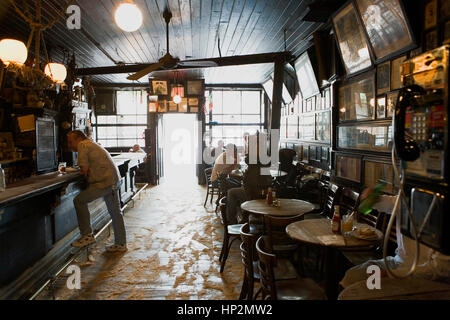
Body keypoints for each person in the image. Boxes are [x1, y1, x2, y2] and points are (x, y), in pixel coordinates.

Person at [340, 188, 450, 288]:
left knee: (368, 287)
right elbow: (387, 203)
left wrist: (391, 274)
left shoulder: (441, 213)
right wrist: (372, 198)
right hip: (397, 263)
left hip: (421, 277)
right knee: (353, 276)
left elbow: (441, 269)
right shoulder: (406, 200)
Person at [67, 130, 127, 252]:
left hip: (104, 182)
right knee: (116, 213)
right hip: (113, 179)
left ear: (79, 139)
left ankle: (87, 235)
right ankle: (121, 244)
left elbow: (84, 170)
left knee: (79, 201)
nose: (69, 145)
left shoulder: (82, 145)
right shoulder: (91, 143)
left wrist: (70, 171)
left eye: (70, 141)